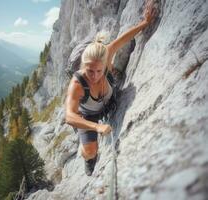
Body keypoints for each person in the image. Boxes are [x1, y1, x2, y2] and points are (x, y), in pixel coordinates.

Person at [65, 1, 156, 176]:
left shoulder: (106, 54)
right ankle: (87, 159)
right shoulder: (77, 83)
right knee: (91, 150)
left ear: (105, 63)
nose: (94, 75)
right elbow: (69, 116)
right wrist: (96, 127)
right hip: (88, 115)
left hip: (110, 100)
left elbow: (123, 39)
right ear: (83, 65)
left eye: (99, 71)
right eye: (89, 70)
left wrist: (145, 23)